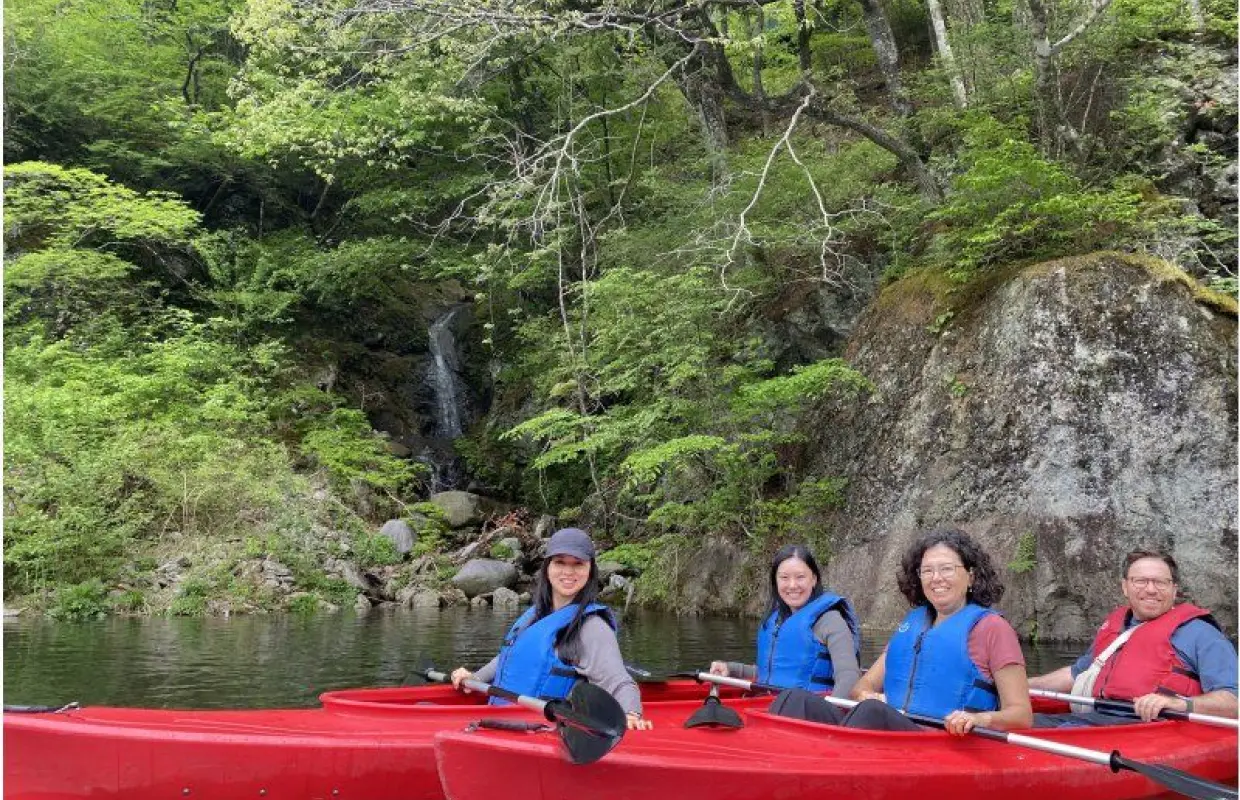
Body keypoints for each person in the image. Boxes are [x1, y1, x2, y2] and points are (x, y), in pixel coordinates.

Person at [770, 528, 1033, 735]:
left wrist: (978, 719)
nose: (936, 578)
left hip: (942, 741)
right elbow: (864, 684)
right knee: (795, 699)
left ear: (971, 577)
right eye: (927, 571)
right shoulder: (913, 625)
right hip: (894, 731)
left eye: (947, 569)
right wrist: (865, 694)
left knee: (871, 712)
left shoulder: (992, 629)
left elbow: (1021, 715)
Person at [450, 527, 653, 730]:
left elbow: (620, 682)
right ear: (547, 567)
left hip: (542, 732)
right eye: (560, 562)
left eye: (578, 564)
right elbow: (509, 657)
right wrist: (475, 677)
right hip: (501, 723)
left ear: (590, 570)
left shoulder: (592, 627)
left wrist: (631, 714)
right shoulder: (534, 615)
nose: (568, 571)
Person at [1028, 549, 1238, 726]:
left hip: (1148, 727)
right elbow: (1075, 675)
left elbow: (1233, 702)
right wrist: (1022, 685)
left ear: (1174, 590)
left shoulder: (1202, 634)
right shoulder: (1116, 626)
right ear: (1125, 587)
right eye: (1140, 581)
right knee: (1014, 722)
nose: (1151, 589)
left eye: (1160, 582)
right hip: (1094, 718)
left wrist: (1182, 704)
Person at [709, 544, 862, 697]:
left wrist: (830, 712)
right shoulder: (777, 619)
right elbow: (772, 673)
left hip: (805, 710)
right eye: (784, 578)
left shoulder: (830, 620)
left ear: (814, 579)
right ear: (776, 581)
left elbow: (848, 677)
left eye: (800, 577)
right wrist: (731, 669)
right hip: (767, 706)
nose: (792, 585)